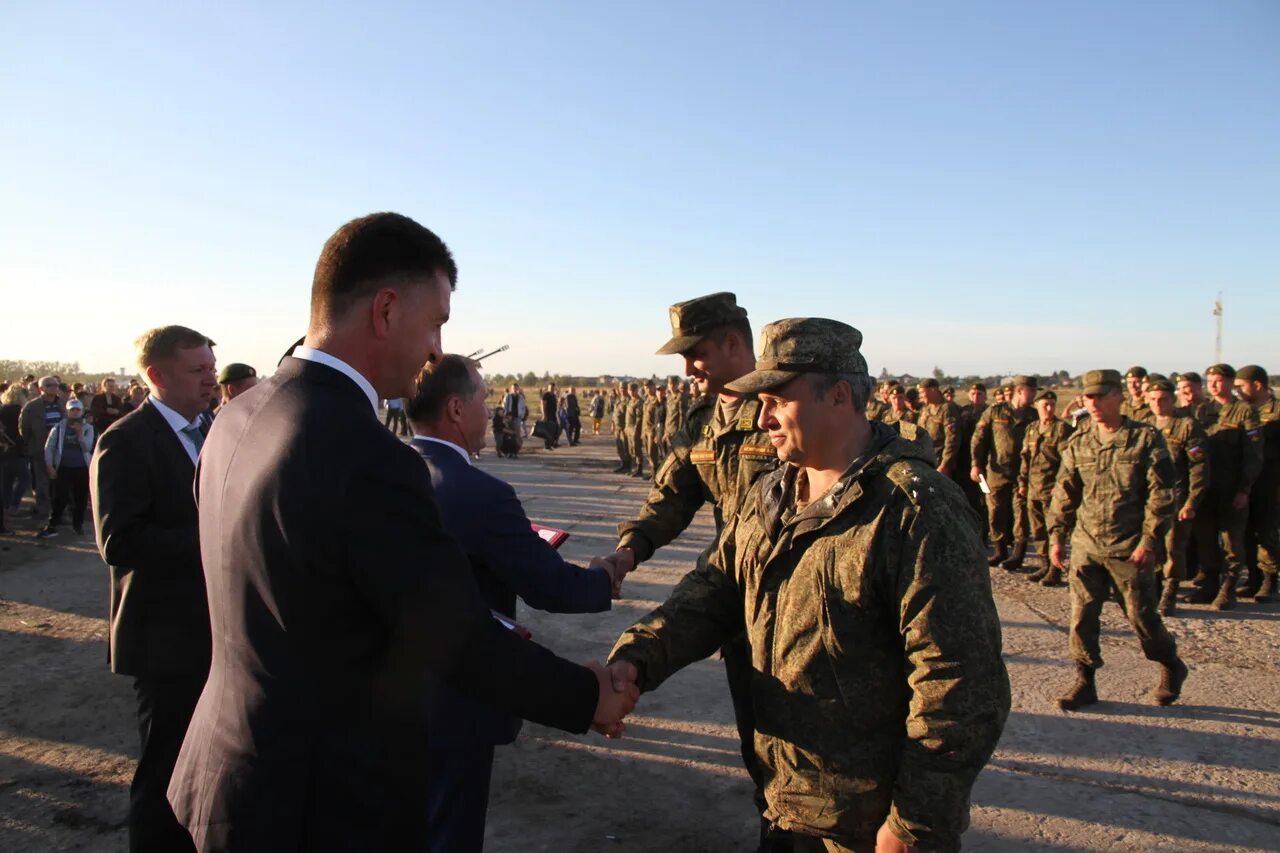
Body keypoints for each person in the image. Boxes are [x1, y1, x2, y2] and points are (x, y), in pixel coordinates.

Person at [166, 212, 636, 851]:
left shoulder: (241, 412)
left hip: (230, 772)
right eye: (437, 320)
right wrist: (588, 695)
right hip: (316, 803)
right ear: (386, 309)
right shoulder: (362, 453)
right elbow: (452, 636)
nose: (438, 348)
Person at [609, 318, 1010, 852]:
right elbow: (714, 590)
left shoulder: (915, 510)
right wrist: (636, 659)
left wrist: (915, 823)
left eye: (778, 399)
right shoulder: (773, 492)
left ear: (839, 395)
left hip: (866, 825)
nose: (764, 416)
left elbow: (960, 683)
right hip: (787, 801)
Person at [404, 356, 622, 851]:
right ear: (458, 410)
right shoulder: (479, 492)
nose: (491, 409)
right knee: (450, 829)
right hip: (457, 698)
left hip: (394, 695)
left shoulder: (393, 470)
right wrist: (602, 577)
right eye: (484, 398)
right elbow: (552, 589)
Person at [606, 292, 786, 850]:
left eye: (696, 354)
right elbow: (672, 495)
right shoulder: (703, 420)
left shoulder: (784, 413)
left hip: (792, 604)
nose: (687, 371)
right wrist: (628, 551)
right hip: (733, 601)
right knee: (759, 740)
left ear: (734, 343)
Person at [90, 325, 218, 851]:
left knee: (208, 765)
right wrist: (215, 535)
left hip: (215, 630)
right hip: (166, 638)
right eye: (198, 371)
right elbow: (120, 541)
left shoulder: (213, 429)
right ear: (156, 376)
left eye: (212, 367)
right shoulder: (124, 441)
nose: (212, 380)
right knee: (166, 768)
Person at [1048, 369, 1188, 710]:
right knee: (1082, 616)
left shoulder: (1145, 438)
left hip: (1130, 547)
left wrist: (1149, 541)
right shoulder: (1080, 441)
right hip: (1087, 544)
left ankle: (1170, 663)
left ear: (1118, 397)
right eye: (1088, 397)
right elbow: (1064, 493)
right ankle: (1085, 679)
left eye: (1100, 396)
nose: (1092, 403)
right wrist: (1056, 537)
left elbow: (1162, 496)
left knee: (1142, 619)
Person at [1188, 364, 1263, 608]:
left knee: (1233, 540)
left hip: (1231, 487)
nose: (1213, 385)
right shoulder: (1201, 411)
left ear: (1230, 382)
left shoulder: (1245, 412)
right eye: (1210, 380)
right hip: (1205, 488)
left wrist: (1244, 489)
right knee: (1205, 537)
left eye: (1219, 381)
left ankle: (1229, 587)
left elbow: (1254, 455)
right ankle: (1210, 583)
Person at [1144, 376, 1209, 614]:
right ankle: (1155, 588)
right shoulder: (1145, 424)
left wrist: (1192, 501)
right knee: (1152, 544)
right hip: (1149, 499)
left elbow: (1199, 467)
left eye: (1163, 399)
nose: (1158, 404)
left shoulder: (1187, 426)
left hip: (1177, 497)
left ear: (1173, 399)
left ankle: (1170, 591)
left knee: (1174, 547)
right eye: (1153, 399)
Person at [971, 375, 1038, 568]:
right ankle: (1000, 550)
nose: (1033, 395)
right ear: (1019, 390)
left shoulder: (1033, 416)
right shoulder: (995, 412)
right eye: (1031, 391)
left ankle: (1018, 554)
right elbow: (979, 439)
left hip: (1023, 472)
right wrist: (976, 464)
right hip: (996, 471)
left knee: (1021, 513)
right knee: (995, 511)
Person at [1018, 390, 1074, 585]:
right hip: (1033, 488)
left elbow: (1067, 464)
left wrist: (1059, 487)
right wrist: (1022, 483)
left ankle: (1055, 569)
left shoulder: (1062, 430)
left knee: (1054, 530)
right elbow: (1025, 459)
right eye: (1045, 405)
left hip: (1052, 489)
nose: (1049, 409)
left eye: (1052, 404)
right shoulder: (1032, 428)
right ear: (1037, 406)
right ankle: (1044, 564)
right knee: (1038, 530)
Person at [1233, 365, 1278, 602]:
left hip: (1271, 481)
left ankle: (1271, 581)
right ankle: (1254, 577)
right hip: (1248, 479)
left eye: (1241, 386)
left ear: (1257, 385)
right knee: (1247, 531)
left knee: (1268, 531)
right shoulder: (1242, 411)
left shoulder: (1277, 410)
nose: (1237, 391)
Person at [39, 397, 96, 538]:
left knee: (80, 499)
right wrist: (49, 466)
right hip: (63, 467)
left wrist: (80, 434)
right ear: (67, 411)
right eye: (72, 410)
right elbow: (49, 447)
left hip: (81, 468)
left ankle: (78, 525)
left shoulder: (89, 429)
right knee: (59, 498)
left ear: (82, 411)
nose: (75, 413)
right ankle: (52, 525)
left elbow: (87, 447)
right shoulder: (58, 428)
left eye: (77, 410)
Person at [18, 375, 64, 520]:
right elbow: (23, 428)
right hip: (40, 449)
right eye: (50, 385)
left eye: (56, 385)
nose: (54, 388)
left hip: (61, 449)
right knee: (42, 483)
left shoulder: (63, 403)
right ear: (41, 388)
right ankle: (43, 511)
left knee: (61, 482)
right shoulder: (31, 407)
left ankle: (59, 513)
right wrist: (31, 444)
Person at [915, 377, 961, 478]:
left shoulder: (947, 409)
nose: (920, 396)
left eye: (923, 392)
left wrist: (945, 464)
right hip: (926, 460)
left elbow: (952, 439)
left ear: (933, 390)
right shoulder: (925, 409)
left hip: (940, 463)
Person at [1, 384, 29, 514]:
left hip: (4, 449)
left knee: (7, 480)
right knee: (25, 478)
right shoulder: (22, 411)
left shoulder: (2, 410)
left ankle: (6, 506)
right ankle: (14, 504)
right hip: (17, 450)